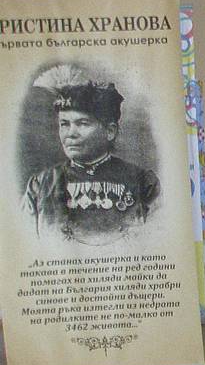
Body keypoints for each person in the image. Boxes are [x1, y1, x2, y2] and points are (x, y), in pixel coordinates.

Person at [23, 65, 160, 243]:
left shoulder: (143, 183)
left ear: (110, 131)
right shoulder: (41, 185)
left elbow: (160, 238)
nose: (71, 133)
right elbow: (25, 246)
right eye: (64, 124)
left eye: (82, 123)